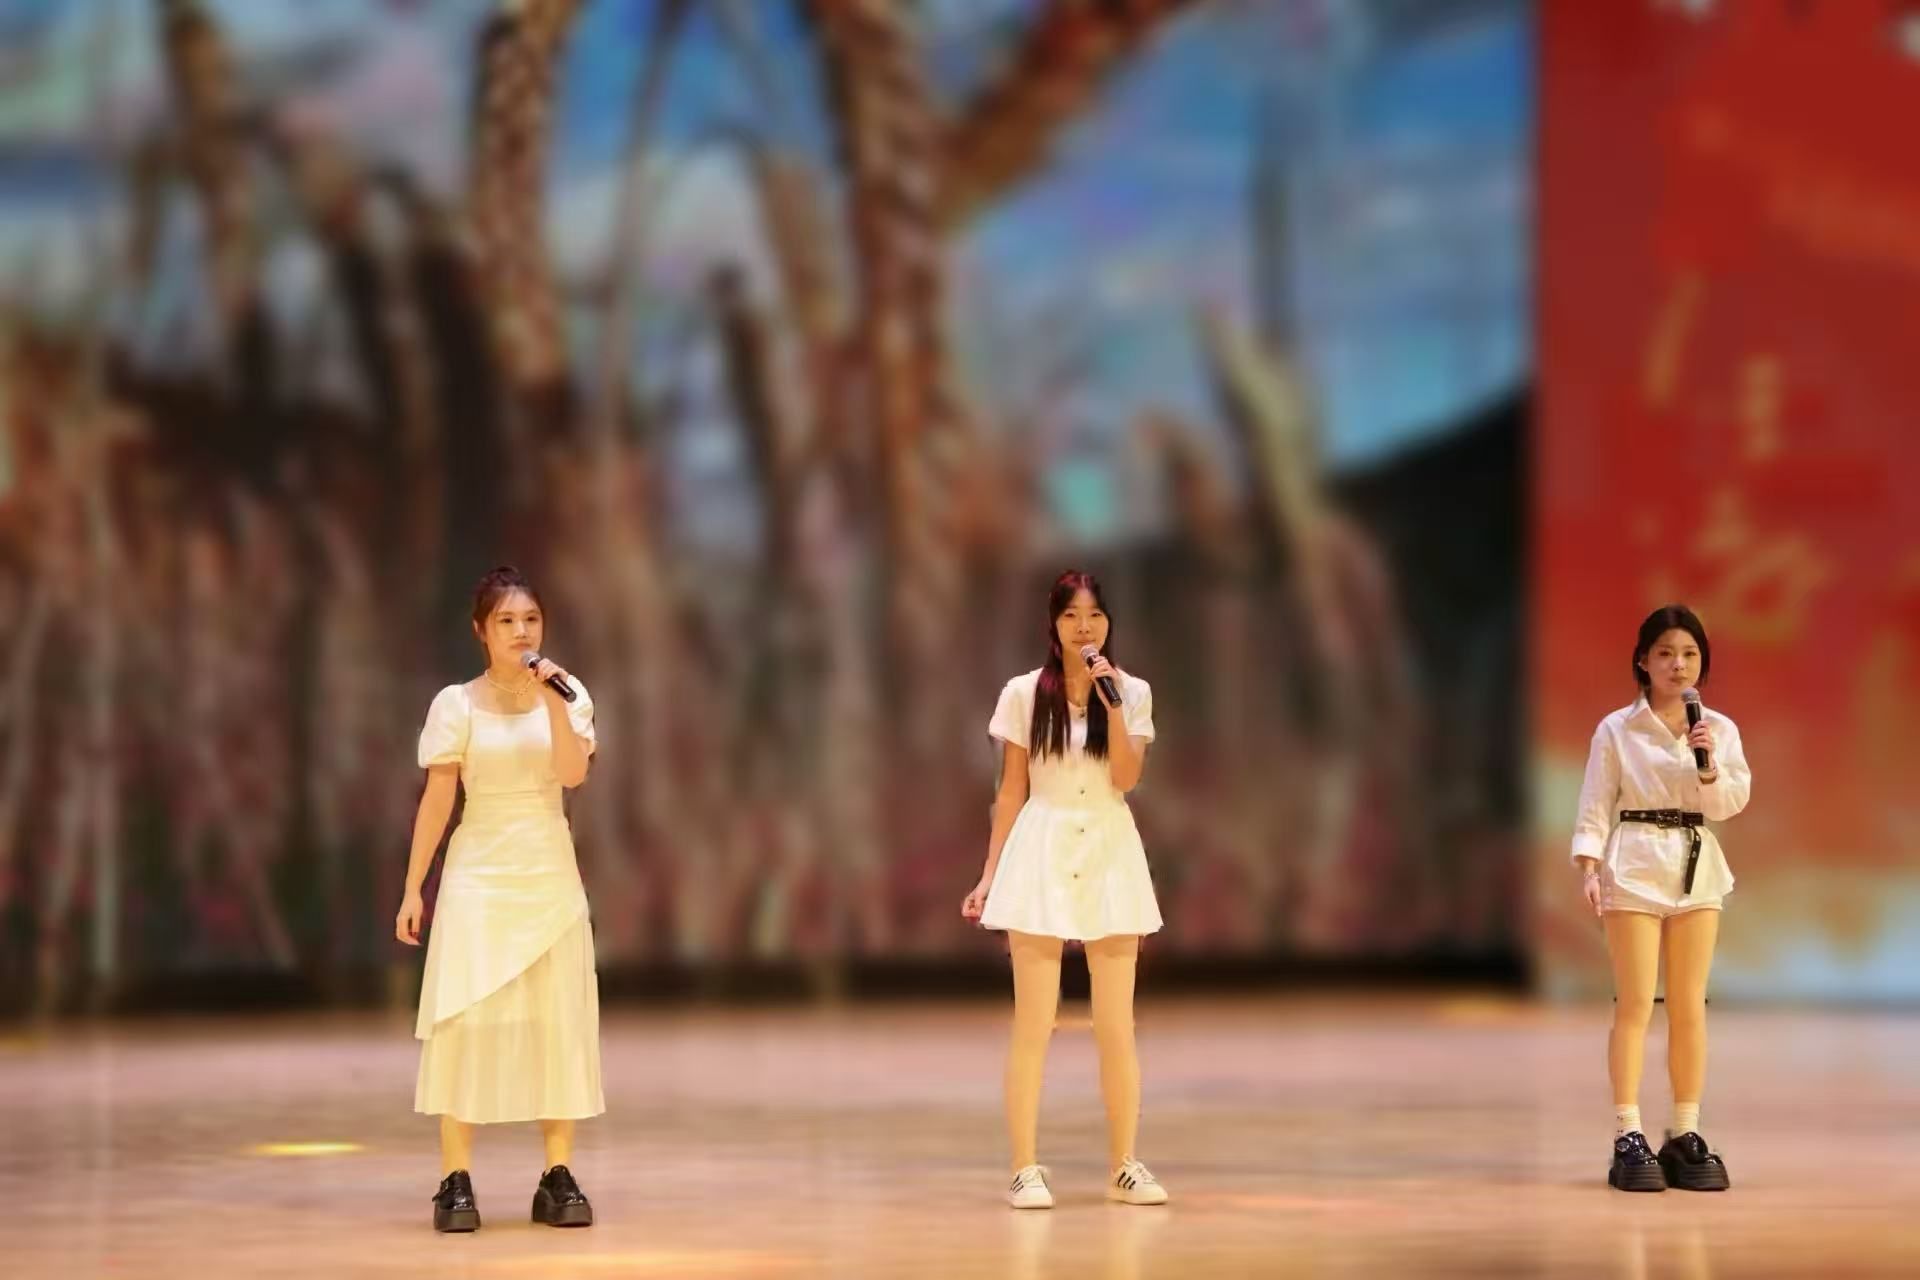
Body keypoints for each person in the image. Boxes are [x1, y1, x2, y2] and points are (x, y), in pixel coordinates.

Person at [395, 565, 603, 1231]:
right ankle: (455, 1178)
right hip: (478, 875)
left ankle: (557, 1174)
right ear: (481, 631)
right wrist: (413, 887)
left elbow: (571, 773)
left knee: (558, 1019)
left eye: (531, 620)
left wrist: (553, 703)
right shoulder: (455, 704)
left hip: (547, 871)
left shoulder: (567, 695)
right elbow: (439, 799)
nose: (521, 632)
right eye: (507, 621)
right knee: (467, 1019)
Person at [962, 570, 1169, 1209]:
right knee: (1034, 1023)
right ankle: (1024, 1166)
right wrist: (990, 875)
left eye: (1095, 616)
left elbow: (1126, 777)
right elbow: (1010, 791)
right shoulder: (1024, 694)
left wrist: (1113, 704)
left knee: (1116, 1025)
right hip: (1042, 850)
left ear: (1109, 622)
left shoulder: (1131, 691)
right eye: (1072, 616)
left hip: (1109, 851)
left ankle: (1124, 1164)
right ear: (1053, 625)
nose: (1085, 628)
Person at [1571, 604, 1751, 1192]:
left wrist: (1707, 767)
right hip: (1635, 864)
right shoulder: (1617, 729)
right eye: (1667, 653)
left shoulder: (1717, 729)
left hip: (1695, 867)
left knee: (1690, 1004)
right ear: (1643, 661)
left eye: (1690, 654)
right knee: (1635, 1004)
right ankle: (1628, 1131)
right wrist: (1589, 865)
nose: (1679, 665)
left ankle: (1685, 1129)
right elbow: (1596, 802)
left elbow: (1729, 803)